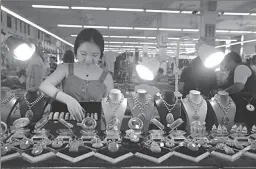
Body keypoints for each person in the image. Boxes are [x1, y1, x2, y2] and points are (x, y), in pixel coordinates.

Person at [39, 28, 114, 121]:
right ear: (76, 52)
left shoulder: (107, 77)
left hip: (94, 126)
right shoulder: (65, 68)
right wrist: (67, 99)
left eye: (95, 55)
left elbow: (110, 108)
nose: (88, 60)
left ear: (101, 55)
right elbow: (44, 85)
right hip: (66, 125)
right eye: (83, 54)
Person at [220, 52, 256, 128]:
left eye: (226, 63)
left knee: (241, 127)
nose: (225, 66)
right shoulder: (237, 69)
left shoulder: (241, 68)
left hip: (244, 102)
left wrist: (224, 92)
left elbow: (238, 87)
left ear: (231, 61)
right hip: (242, 102)